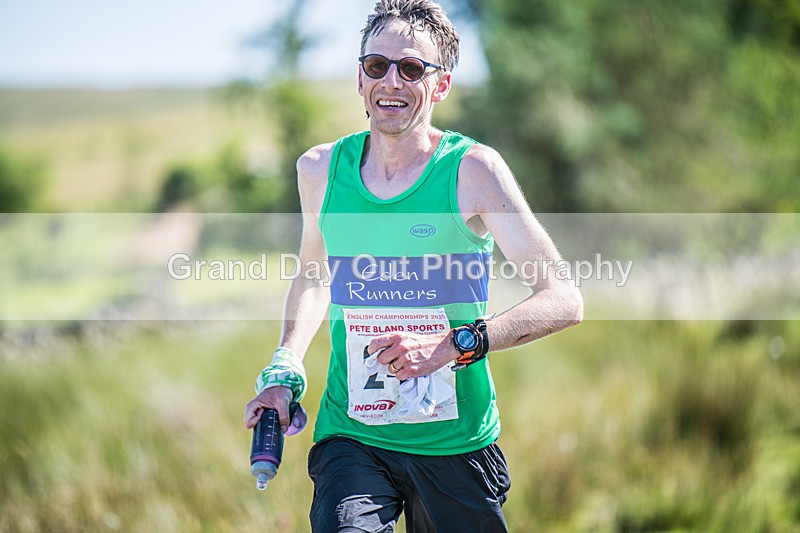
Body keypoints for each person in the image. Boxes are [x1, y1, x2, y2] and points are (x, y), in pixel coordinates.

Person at [244, 0, 583, 530]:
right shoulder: (319, 171)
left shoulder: (473, 171)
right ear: (360, 78)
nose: (391, 82)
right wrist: (286, 363)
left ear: (441, 84)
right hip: (351, 435)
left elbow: (563, 299)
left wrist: (452, 346)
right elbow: (314, 274)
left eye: (411, 68)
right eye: (377, 65)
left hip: (455, 442)